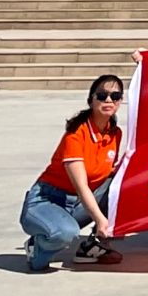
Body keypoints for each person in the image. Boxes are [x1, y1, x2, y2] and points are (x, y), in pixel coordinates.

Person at [20, 77, 124, 272]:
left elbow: (109, 173)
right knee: (64, 234)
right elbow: (81, 186)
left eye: (115, 96)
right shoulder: (76, 133)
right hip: (48, 200)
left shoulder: (115, 133)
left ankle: (92, 247)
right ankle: (37, 246)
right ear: (91, 100)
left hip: (77, 204)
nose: (109, 100)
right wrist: (101, 220)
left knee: (123, 184)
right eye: (102, 95)